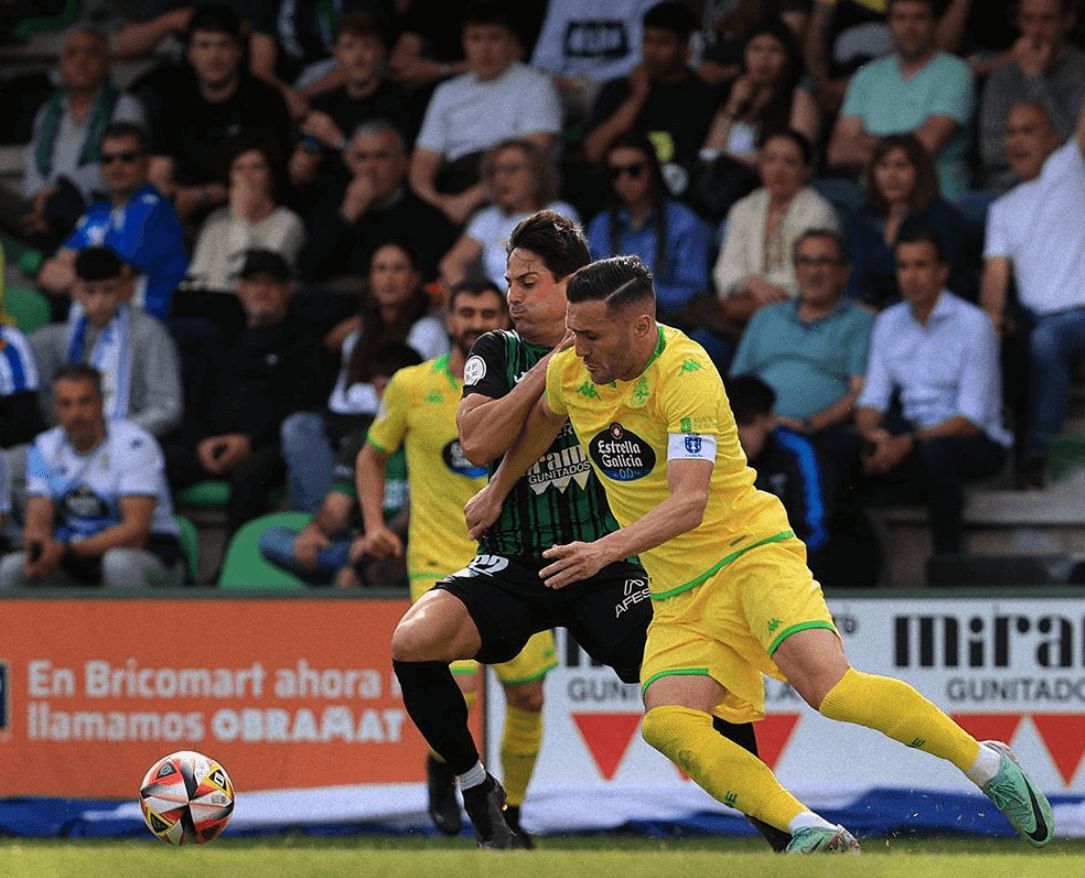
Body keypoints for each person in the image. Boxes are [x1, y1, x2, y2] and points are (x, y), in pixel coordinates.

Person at [486, 253, 1053, 853]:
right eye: (572, 331)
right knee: (667, 723)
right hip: (678, 590)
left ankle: (986, 765)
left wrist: (604, 551)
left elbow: (689, 502)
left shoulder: (685, 373)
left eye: (590, 335)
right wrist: (496, 493)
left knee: (830, 690)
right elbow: (546, 420)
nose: (576, 347)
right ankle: (809, 830)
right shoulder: (572, 369)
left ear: (640, 327)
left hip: (748, 553)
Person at [391, 211, 786, 852]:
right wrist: (545, 373)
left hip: (610, 562)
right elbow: (478, 441)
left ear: (571, 282)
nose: (513, 296)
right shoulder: (495, 351)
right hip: (518, 560)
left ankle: (781, 827)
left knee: (691, 690)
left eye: (528, 281)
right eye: (510, 281)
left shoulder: (624, 354)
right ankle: (474, 786)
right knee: (414, 641)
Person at [358, 279, 556, 844]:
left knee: (529, 696)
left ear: (507, 318)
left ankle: (509, 816)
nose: (475, 322)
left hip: (518, 558)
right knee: (459, 686)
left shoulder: (532, 382)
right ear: (448, 319)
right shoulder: (411, 386)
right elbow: (371, 458)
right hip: (437, 560)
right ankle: (444, 774)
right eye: (465, 312)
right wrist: (374, 526)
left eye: (487, 312)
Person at [858, 232, 1011, 554]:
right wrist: (874, 435)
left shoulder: (974, 324)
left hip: (974, 443)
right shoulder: (888, 322)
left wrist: (907, 442)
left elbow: (970, 419)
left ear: (942, 271)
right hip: (910, 439)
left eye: (921, 265)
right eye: (903, 266)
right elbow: (872, 399)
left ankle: (947, 563)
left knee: (937, 455)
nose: (911, 276)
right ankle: (846, 575)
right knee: (846, 449)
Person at [165, 249, 331, 535]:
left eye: (270, 283)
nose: (261, 291)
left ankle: (232, 566)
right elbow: (193, 401)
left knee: (251, 474)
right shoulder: (220, 341)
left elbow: (299, 406)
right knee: (160, 461)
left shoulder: (306, 345)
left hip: (266, 448)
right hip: (211, 447)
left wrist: (250, 441)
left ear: (287, 289)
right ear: (240, 289)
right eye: (253, 283)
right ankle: (167, 552)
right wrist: (200, 443)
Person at [284, 241, 449, 513]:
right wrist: (368, 394)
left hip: (397, 424)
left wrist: (370, 395)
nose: (389, 277)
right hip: (349, 421)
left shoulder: (427, 331)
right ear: (371, 279)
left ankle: (334, 522)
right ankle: (318, 521)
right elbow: (341, 399)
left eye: (398, 269)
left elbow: (406, 395)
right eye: (381, 269)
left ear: (415, 278)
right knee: (300, 426)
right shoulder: (359, 333)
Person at [0, 364, 186, 589]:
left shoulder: (135, 444)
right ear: (55, 408)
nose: (76, 413)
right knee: (13, 569)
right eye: (66, 404)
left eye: (84, 402)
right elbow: (38, 518)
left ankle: (132, 626)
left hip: (151, 555)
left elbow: (135, 533)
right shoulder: (43, 448)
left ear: (101, 402)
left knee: (117, 563)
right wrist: (39, 549)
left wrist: (67, 550)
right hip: (74, 558)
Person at [981, 102, 1085, 484]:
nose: (1016, 140)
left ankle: (1039, 454)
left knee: (1045, 341)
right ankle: (1002, 454)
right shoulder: (1002, 209)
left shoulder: (1070, 168)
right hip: (1036, 320)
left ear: (1054, 140)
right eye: (1010, 132)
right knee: (1001, 340)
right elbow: (995, 274)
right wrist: (990, 320)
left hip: (1078, 316)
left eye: (1028, 130)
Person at [259, 344, 419, 587]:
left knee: (392, 560)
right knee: (271, 540)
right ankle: (351, 566)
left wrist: (371, 545)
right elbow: (336, 508)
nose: (387, 396)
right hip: (358, 545)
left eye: (395, 388)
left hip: (411, 548)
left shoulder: (427, 437)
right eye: (381, 388)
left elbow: (416, 513)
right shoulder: (363, 440)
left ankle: (354, 569)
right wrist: (314, 531)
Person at [409, 0, 562, 226]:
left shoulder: (536, 85)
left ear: (512, 43)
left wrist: (467, 201)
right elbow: (423, 161)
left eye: (494, 38)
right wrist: (437, 203)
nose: (484, 48)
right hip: (450, 189)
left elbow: (533, 156)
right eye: (476, 38)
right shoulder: (447, 91)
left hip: (508, 188)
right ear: (464, 43)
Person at [146, 5, 293, 221]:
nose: (214, 56)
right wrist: (174, 196)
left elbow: (269, 176)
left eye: (223, 45)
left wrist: (201, 196)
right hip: (184, 212)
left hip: (252, 210)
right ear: (190, 54)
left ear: (239, 52)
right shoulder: (172, 100)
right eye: (204, 46)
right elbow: (158, 171)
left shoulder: (265, 100)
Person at [730, 229, 873, 444]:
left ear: (844, 271)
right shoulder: (766, 316)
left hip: (820, 434)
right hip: (756, 436)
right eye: (805, 262)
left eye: (824, 262)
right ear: (795, 270)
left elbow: (860, 392)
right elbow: (737, 384)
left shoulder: (861, 321)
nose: (813, 272)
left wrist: (810, 424)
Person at [37, 123, 187, 320]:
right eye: (108, 159)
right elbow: (50, 273)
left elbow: (111, 271)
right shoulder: (96, 212)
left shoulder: (153, 208)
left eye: (127, 157)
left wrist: (75, 277)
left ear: (146, 163)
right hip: (91, 325)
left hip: (141, 325)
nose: (116, 165)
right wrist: (85, 275)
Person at [827, 0, 974, 200]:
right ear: (888, 23)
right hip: (873, 204)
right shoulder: (866, 75)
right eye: (900, 18)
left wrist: (865, 140)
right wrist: (902, 153)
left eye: (919, 18)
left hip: (937, 202)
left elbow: (925, 146)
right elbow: (838, 152)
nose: (909, 27)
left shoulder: (955, 72)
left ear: (934, 22)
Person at [32, 247, 183, 439]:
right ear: (76, 291)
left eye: (108, 290)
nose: (100, 300)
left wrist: (109, 435)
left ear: (123, 290)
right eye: (90, 291)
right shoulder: (53, 340)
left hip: (130, 441)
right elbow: (43, 401)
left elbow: (167, 407)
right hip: (69, 442)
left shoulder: (149, 333)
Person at [22, 25, 146, 245]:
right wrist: (40, 198)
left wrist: (58, 191)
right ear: (60, 63)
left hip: (101, 206)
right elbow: (33, 161)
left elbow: (121, 166)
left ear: (108, 61)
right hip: (48, 207)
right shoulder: (48, 111)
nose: (81, 61)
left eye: (92, 52)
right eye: (72, 53)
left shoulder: (124, 107)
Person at [298, 120, 457, 284]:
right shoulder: (332, 206)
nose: (370, 167)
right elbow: (308, 271)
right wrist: (347, 215)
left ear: (403, 163)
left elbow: (434, 283)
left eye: (381, 156)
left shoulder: (428, 219)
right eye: (362, 157)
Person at [712, 130, 840, 334]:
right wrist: (750, 282)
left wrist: (761, 291)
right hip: (742, 305)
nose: (778, 170)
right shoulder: (744, 207)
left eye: (790, 162)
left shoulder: (818, 211)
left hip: (795, 310)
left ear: (806, 170)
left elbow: (811, 273)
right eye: (770, 160)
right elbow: (727, 267)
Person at [587, 130, 710, 324]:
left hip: (671, 325)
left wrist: (638, 294)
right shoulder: (600, 225)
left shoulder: (684, 222)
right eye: (615, 173)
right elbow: (588, 284)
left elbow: (694, 291)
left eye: (634, 170)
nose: (624, 180)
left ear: (652, 169)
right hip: (610, 325)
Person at [584, 2, 718, 176]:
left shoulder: (703, 96)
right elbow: (593, 153)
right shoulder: (618, 89)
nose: (652, 51)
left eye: (663, 42)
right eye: (647, 40)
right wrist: (635, 100)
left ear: (685, 46)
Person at [727, 374, 834, 586]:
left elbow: (815, 526)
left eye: (747, 422)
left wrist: (776, 561)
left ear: (769, 420)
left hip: (794, 567)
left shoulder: (796, 451)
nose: (737, 433)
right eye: (731, 422)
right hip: (728, 567)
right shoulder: (713, 455)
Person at [287, 11, 410, 191]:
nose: (358, 57)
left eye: (366, 46)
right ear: (336, 52)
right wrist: (302, 166)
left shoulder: (401, 103)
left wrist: (338, 142)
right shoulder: (322, 105)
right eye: (349, 47)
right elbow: (301, 171)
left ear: (381, 51)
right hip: (325, 201)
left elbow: (394, 175)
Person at [847, 133, 971, 309]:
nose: (891, 175)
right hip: (870, 316)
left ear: (919, 171)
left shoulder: (943, 217)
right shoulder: (864, 217)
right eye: (883, 166)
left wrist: (890, 244)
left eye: (901, 166)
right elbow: (857, 282)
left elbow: (948, 282)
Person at [439, 140, 579, 289]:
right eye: (495, 171)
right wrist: (473, 301)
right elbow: (451, 264)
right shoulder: (488, 218)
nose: (501, 178)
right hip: (496, 307)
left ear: (537, 174)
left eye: (512, 169)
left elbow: (562, 270)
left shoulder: (558, 212)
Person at [978, 0, 1084, 192]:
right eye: (1028, 19)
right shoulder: (1003, 75)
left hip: (1071, 188)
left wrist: (1035, 77)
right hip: (1006, 188)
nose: (1036, 30)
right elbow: (991, 151)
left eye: (1047, 19)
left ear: (1068, 20)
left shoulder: (1080, 71)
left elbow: (1074, 146)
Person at [184, 139, 305, 292]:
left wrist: (240, 219)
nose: (247, 176)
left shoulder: (288, 222)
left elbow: (255, 278)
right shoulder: (216, 220)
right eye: (238, 168)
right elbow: (195, 278)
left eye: (257, 167)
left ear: (271, 177)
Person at [701, 17, 820, 168]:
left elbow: (796, 157)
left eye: (774, 50)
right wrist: (732, 105)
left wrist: (729, 160)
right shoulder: (733, 93)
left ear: (788, 57)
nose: (764, 58)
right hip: (725, 184)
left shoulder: (799, 96)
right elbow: (708, 154)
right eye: (756, 49)